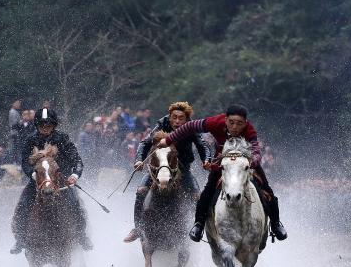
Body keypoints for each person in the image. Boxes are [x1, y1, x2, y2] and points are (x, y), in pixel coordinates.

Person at [158, 104, 287, 245]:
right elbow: (190, 127)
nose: (235, 127)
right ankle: (199, 224)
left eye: (239, 124)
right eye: (231, 122)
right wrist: (168, 140)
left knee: (267, 189)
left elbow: (256, 151)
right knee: (208, 192)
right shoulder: (215, 122)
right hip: (222, 163)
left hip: (245, 165)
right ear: (225, 120)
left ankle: (275, 224)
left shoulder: (249, 130)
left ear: (245, 123)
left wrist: (251, 162)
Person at [123, 101, 210, 242]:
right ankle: (137, 228)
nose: (177, 121)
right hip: (159, 169)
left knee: (197, 197)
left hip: (182, 169)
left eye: (181, 118)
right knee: (140, 191)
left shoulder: (191, 127)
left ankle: (198, 228)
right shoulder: (162, 124)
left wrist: (206, 159)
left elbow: (202, 144)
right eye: (174, 117)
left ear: (187, 118)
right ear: (169, 117)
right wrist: (139, 160)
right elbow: (145, 142)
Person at [10, 108, 92, 254]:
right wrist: (33, 175)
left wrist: (74, 175)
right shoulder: (30, 140)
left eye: (48, 125)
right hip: (38, 181)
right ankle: (20, 239)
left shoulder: (63, 139)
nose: (45, 128)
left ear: (54, 125)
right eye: (42, 125)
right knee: (23, 204)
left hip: (61, 181)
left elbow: (77, 160)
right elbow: (24, 162)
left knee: (75, 204)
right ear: (37, 125)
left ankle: (81, 235)